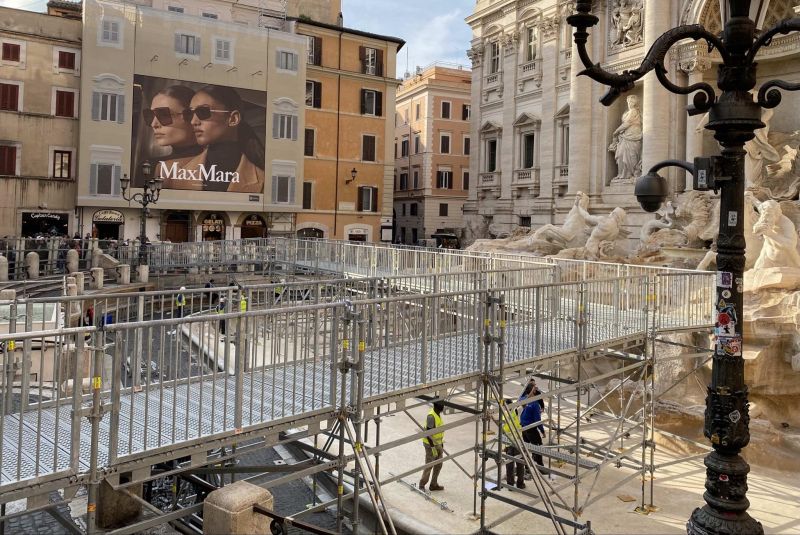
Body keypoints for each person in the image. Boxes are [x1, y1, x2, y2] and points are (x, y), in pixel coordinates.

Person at [184, 85, 265, 193]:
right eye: (190, 114)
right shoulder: (177, 171)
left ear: (233, 119)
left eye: (203, 112)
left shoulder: (263, 180)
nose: (193, 121)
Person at [145, 85, 203, 189]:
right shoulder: (149, 166)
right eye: (149, 115)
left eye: (163, 115)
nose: (154, 124)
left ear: (191, 116)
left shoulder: (212, 163)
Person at [519, 380, 547, 476]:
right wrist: (542, 431)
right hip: (531, 428)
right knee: (538, 447)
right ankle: (540, 467)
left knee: (526, 447)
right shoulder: (535, 404)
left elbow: (520, 400)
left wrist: (531, 392)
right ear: (533, 391)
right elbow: (537, 420)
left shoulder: (523, 399)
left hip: (523, 428)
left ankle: (527, 467)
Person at [419, 399, 446, 492]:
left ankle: (433, 484)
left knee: (438, 464)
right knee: (429, 464)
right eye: (441, 405)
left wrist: (440, 444)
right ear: (436, 406)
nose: (443, 407)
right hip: (430, 444)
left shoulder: (438, 414)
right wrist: (433, 447)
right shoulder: (431, 416)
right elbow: (428, 433)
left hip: (438, 443)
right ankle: (422, 484)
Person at [501, 398, 525, 489]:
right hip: (517, 443)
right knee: (520, 464)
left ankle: (510, 485)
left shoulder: (504, 415)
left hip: (510, 444)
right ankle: (520, 484)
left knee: (510, 465)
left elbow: (502, 431)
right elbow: (524, 403)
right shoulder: (515, 412)